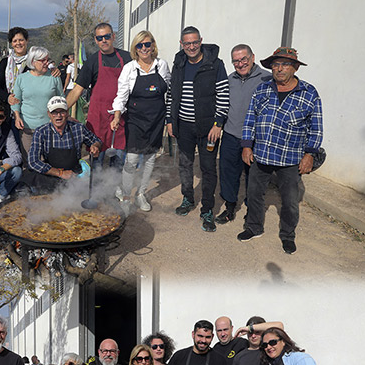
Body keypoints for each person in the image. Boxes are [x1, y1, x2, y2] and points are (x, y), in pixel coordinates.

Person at [239, 46, 323, 253]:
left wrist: (309, 155)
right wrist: (247, 146)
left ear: (295, 68)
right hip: (262, 153)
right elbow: (250, 119)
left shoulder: (309, 93)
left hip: (291, 158)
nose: (279, 69)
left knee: (290, 201)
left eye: (285, 64)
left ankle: (287, 235)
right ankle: (254, 227)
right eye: (276, 64)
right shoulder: (263, 89)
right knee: (254, 193)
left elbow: (316, 127)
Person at [167, 27, 229, 230]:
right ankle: (187, 199)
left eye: (195, 42)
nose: (191, 47)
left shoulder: (215, 64)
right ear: (181, 44)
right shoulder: (179, 64)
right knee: (185, 165)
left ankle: (208, 210)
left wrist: (218, 123)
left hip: (208, 128)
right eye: (187, 43)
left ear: (200, 41)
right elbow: (172, 95)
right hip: (183, 126)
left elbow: (223, 95)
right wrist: (170, 120)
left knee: (208, 168)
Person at [112, 30, 171, 213]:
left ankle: (141, 194)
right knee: (131, 159)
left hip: (156, 119)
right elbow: (121, 95)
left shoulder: (162, 65)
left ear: (153, 45)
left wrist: (169, 118)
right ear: (135, 48)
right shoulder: (129, 68)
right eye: (140, 45)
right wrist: (116, 116)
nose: (144, 48)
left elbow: (167, 90)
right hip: (135, 120)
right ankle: (127, 196)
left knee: (151, 158)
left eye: (147, 44)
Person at [215, 45, 270, 225]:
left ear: (252, 57)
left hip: (256, 138)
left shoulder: (266, 79)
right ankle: (230, 208)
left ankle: (252, 211)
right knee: (228, 174)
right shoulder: (229, 79)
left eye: (244, 59)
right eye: (236, 61)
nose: (240, 64)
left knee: (254, 177)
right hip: (231, 135)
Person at [66, 23, 130, 167]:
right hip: (98, 118)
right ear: (95, 40)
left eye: (107, 36)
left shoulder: (127, 58)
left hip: (120, 117)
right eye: (100, 38)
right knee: (97, 160)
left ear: (113, 37)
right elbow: (77, 90)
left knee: (118, 160)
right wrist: (62, 109)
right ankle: (95, 189)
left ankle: (116, 187)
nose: (104, 40)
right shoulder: (92, 61)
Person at [26, 95, 101, 191]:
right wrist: (60, 173)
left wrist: (95, 146)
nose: (58, 116)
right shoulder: (41, 132)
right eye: (54, 112)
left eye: (62, 112)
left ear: (67, 113)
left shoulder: (78, 128)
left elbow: (96, 141)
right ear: (49, 114)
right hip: (51, 177)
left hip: (74, 176)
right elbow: (33, 162)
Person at [11, 47, 64, 158]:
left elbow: (61, 100)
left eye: (47, 59)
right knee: (29, 160)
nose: (46, 63)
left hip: (49, 128)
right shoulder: (21, 78)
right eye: (42, 60)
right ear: (33, 62)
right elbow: (16, 101)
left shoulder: (54, 77)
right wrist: (17, 117)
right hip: (27, 128)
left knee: (49, 160)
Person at [0, 27, 31, 107]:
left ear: (27, 40)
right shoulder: (5, 63)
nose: (18, 43)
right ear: (11, 43)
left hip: (28, 108)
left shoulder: (34, 62)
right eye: (15, 41)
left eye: (21, 40)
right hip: (7, 108)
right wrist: (7, 97)